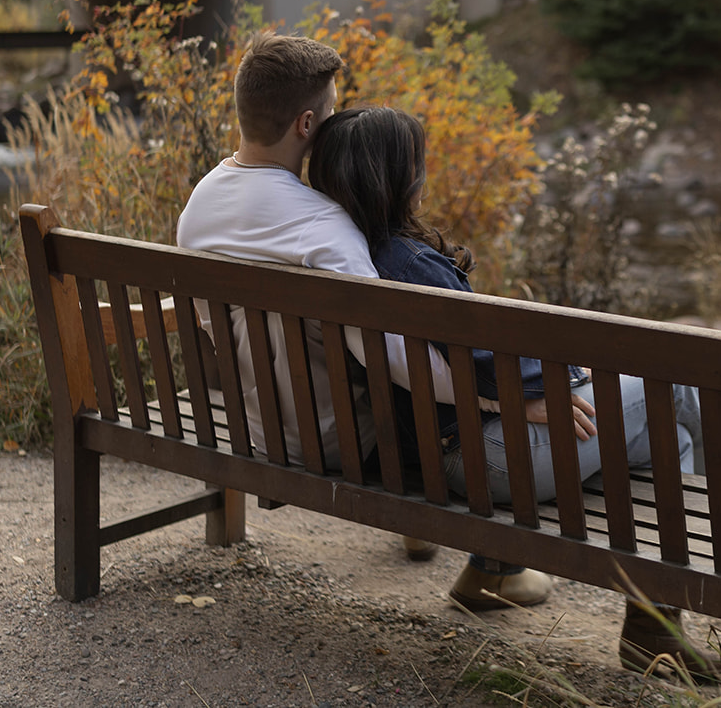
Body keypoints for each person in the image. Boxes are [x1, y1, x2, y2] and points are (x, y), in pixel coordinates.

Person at [307, 105, 721, 678]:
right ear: (395, 177)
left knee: (655, 436)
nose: (424, 172)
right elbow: (489, 364)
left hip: (417, 453)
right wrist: (567, 380)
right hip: (482, 460)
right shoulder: (408, 263)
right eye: (417, 163)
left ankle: (498, 571)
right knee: (673, 387)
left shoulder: (342, 255)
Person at [176, 33, 552, 611]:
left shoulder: (200, 205)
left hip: (254, 421)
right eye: (330, 111)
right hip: (338, 442)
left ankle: (480, 558)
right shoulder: (326, 229)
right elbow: (395, 361)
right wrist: (505, 394)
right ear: (306, 125)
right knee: (445, 394)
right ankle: (489, 559)